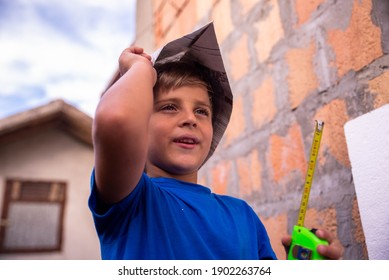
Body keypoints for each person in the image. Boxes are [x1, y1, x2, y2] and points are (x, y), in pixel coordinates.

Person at [88, 23, 342, 260]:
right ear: (141, 122)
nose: (190, 119)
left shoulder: (243, 216)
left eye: (201, 111)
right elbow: (116, 119)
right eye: (169, 107)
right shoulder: (130, 201)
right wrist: (140, 69)